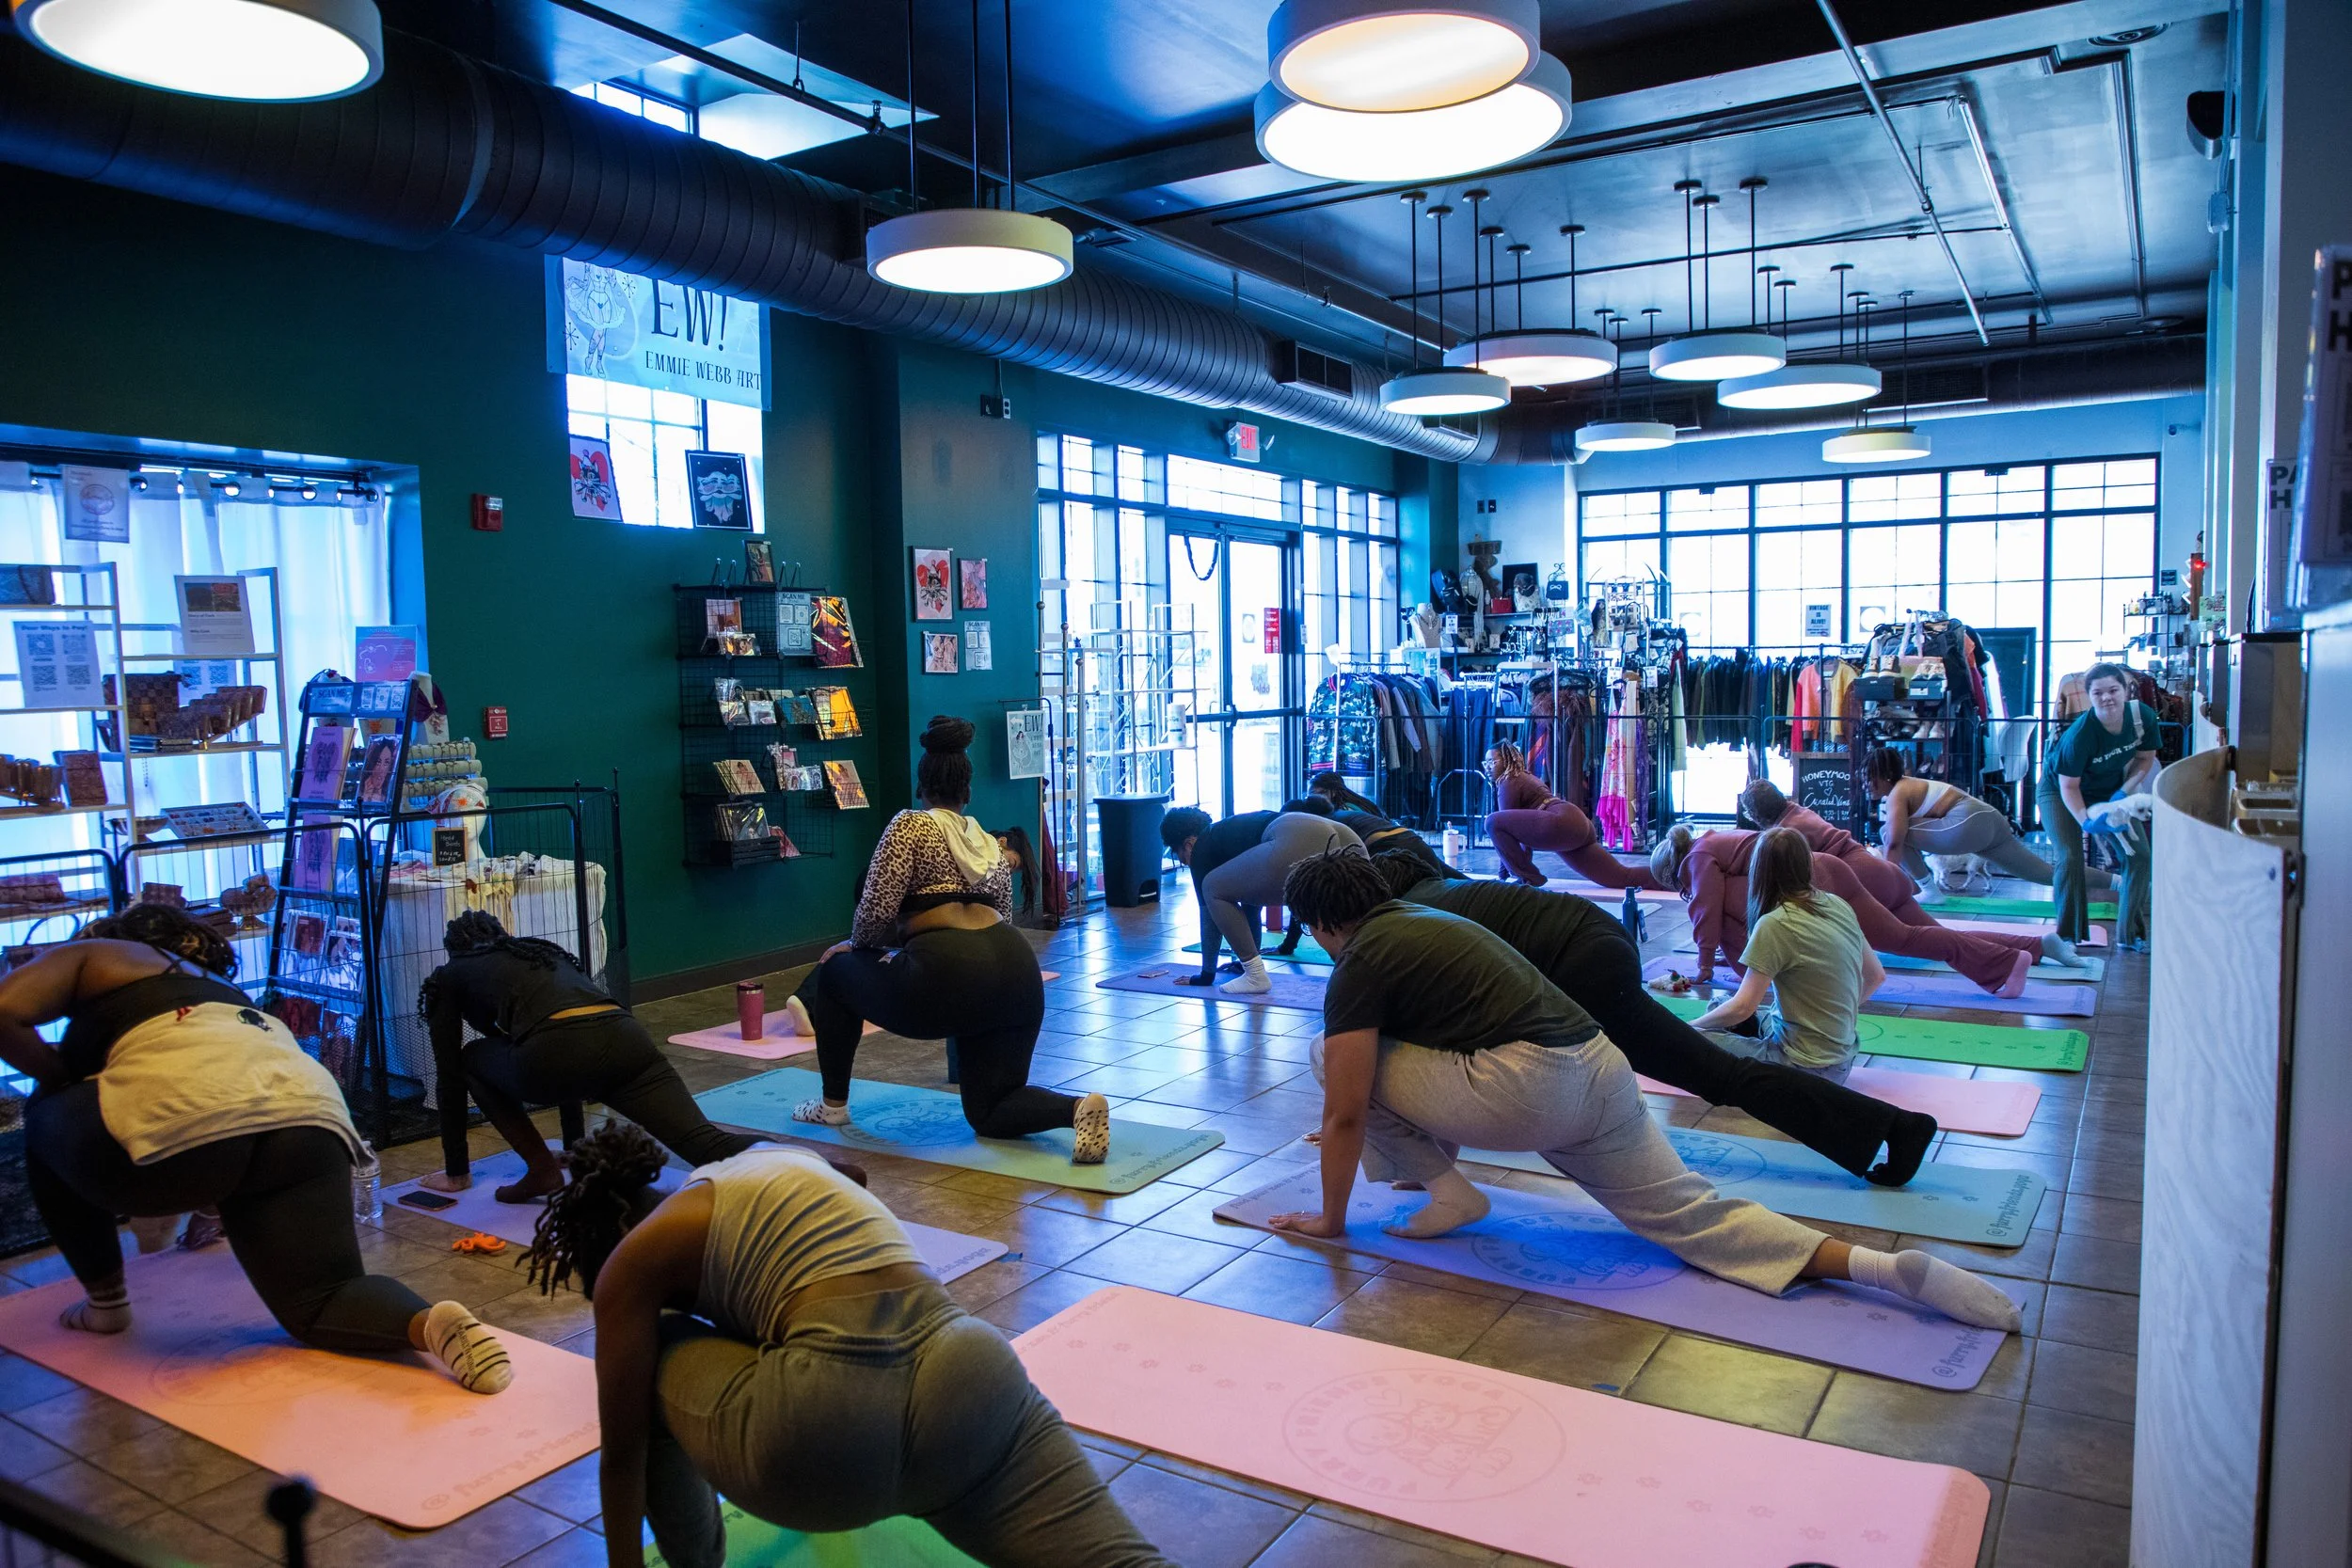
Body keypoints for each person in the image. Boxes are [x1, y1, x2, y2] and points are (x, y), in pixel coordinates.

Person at [1264, 852, 2019, 1332]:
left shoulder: (1360, 957)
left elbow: (1348, 1105)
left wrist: (1332, 1218)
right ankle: (1884, 1270)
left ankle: (1450, 1191)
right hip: (1599, 1068)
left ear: (1325, 923)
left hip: (1531, 1084)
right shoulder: (1426, 913)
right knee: (1691, 1213)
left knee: (1328, 1056)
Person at [524, 1124, 1174, 1568]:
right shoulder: (760, 1159)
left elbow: (623, 1455)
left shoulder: (631, 1261)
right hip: (969, 1375)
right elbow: (853, 1173)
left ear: (611, 1229)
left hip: (827, 1426)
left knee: (657, 1358)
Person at [0, 905, 512, 1392]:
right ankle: (429, 1324)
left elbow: (5, 1011)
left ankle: (106, 1304)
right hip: (310, 1112)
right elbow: (230, 1102)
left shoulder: (101, 952)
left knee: (45, 1106)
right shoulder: (223, 991)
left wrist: (57, 1075)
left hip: (183, 1127)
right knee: (323, 1299)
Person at [1366, 850, 1933, 1185]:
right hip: (1601, 935)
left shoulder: (1413, 916)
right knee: (1710, 1073)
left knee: (1714, 1074)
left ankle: (1891, 1128)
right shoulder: (1449, 890)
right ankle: (1890, 1128)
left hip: (1580, 962)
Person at [790, 718, 1109, 1164]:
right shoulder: (985, 841)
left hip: (946, 975)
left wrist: (854, 946)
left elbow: (876, 908)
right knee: (991, 1109)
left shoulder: (909, 827)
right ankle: (1076, 1109)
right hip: (1017, 972)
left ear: (922, 788)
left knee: (836, 971)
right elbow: (1004, 913)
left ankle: (832, 1108)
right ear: (968, 792)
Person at [419, 912, 756, 1203]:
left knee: (469, 1061)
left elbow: (449, 1075)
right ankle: (800, 1164)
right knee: (706, 1143)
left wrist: (457, 1170)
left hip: (557, 1052)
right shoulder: (539, 954)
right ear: (502, 935)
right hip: (627, 1040)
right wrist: (575, 1146)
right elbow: (563, 1026)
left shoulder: (450, 974)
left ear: (454, 951)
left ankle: (541, 1170)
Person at [1651, 824, 2057, 996]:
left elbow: (1708, 915)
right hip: (1830, 869)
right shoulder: (1716, 846)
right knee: (1911, 937)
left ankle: (2006, 962)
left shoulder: (1698, 859)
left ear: (1673, 871)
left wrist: (1708, 967)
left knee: (1906, 939)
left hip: (1819, 879)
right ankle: (2015, 956)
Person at [1743, 778, 2090, 972]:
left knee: (1914, 941)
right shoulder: (1799, 811)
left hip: (1862, 880)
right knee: (1936, 933)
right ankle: (2038, 944)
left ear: (1756, 815)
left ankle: (2006, 964)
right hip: (1881, 871)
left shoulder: (1784, 833)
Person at [1685, 830, 1880, 1082]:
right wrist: (1833, 1016)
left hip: (1803, 1067)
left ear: (1760, 870)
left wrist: (1686, 1029)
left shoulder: (1776, 923)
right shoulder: (1836, 903)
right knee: (1719, 1004)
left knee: (1693, 1037)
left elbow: (1744, 1007)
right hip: (1843, 1062)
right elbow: (1876, 976)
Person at [1157, 804, 1360, 993]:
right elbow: (1252, 902)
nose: (1184, 862)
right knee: (1351, 909)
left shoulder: (1201, 847)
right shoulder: (1232, 833)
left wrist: (1206, 975)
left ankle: (1255, 975)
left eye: (1179, 855)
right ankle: (1365, 966)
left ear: (1189, 844)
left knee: (1211, 887)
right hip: (1343, 835)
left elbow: (1209, 917)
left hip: (1295, 839)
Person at [1860, 750, 2106, 895]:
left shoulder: (1898, 792)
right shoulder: (1907, 786)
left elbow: (1893, 844)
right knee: (2046, 874)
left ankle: (1930, 891)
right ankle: (2118, 882)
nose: (1865, 785)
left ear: (1884, 776)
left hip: (1970, 822)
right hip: (1990, 821)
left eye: (1868, 779)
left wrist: (1885, 887)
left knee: (1887, 832)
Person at [2042, 663, 2158, 947]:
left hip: (2110, 790)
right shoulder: (2080, 734)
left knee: (2140, 856)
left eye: (2113, 690)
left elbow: (2145, 759)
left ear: (2125, 690)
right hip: (2060, 791)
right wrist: (2087, 823)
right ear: (2089, 695)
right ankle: (2068, 936)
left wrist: (2122, 793)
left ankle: (2130, 935)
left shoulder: (2142, 717)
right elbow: (2069, 786)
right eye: (2098, 693)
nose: (2107, 698)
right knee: (2069, 857)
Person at [1480, 742, 1648, 889]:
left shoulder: (1508, 780)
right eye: (1485, 763)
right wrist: (1511, 873)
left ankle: (1529, 878)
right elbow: (1518, 838)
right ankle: (1668, 877)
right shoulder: (1523, 776)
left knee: (1492, 821)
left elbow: (1506, 833)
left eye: (1492, 762)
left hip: (1562, 822)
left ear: (1508, 760)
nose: (1488, 767)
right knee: (1621, 877)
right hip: (1575, 824)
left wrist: (1514, 876)